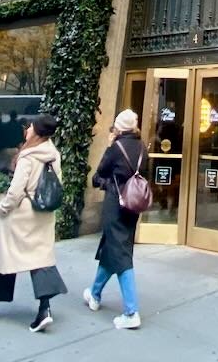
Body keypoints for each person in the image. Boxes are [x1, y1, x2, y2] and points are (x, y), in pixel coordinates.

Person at [0, 114, 65, 331]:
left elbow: (15, 192)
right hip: (43, 214)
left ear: (35, 131)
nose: (27, 130)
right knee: (41, 260)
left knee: (7, 256)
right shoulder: (53, 154)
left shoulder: (28, 156)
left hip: (23, 214)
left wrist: (3, 208)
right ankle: (44, 308)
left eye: (30, 127)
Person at [85, 108, 145, 330]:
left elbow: (98, 176)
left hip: (115, 204)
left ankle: (131, 311)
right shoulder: (141, 148)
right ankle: (94, 293)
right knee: (115, 246)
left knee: (120, 253)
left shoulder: (116, 148)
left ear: (119, 126)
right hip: (133, 206)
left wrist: (107, 182)